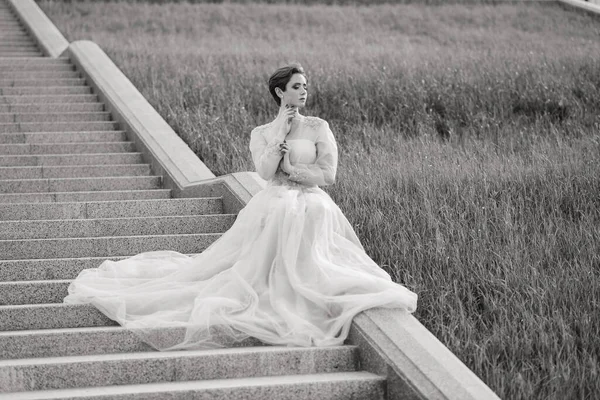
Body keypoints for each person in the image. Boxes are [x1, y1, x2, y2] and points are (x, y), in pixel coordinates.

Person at [64, 63, 417, 350]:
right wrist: (280, 134)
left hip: (311, 197)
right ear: (281, 92)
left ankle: (305, 282)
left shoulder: (318, 127)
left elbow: (328, 174)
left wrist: (295, 171)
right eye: (296, 86)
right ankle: (273, 286)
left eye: (305, 85)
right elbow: (264, 172)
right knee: (280, 210)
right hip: (275, 196)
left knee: (311, 210)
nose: (304, 91)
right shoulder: (262, 132)